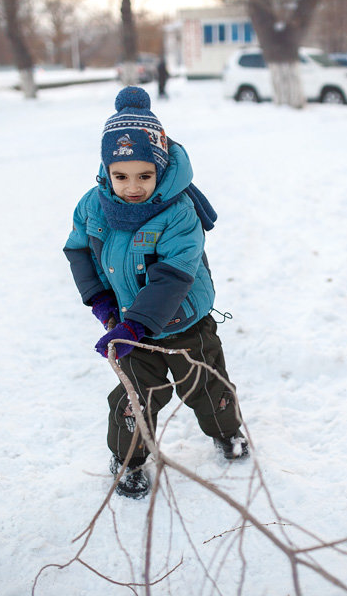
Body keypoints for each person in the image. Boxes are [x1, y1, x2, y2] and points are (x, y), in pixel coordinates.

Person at [64, 86, 248, 499]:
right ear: (106, 170)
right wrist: (100, 300)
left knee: (206, 384)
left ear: (160, 170)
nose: (132, 187)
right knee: (133, 398)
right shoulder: (93, 206)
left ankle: (227, 432)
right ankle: (128, 459)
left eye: (144, 175)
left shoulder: (180, 214)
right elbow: (79, 250)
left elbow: (172, 276)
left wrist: (135, 325)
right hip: (129, 324)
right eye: (121, 176)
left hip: (184, 321)